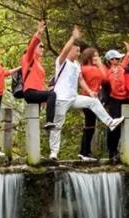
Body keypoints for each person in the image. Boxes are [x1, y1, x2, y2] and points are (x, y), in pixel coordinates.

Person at [48, 27, 124, 160]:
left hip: (74, 97)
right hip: (61, 99)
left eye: (79, 51)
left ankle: (110, 122)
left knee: (93, 101)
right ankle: (54, 153)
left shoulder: (76, 64)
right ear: (70, 50)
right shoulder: (61, 62)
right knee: (57, 125)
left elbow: (81, 80)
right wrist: (73, 38)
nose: (78, 54)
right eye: (76, 51)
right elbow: (65, 50)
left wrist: (89, 91)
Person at [19, 21, 57, 124]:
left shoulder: (39, 63)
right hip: (30, 92)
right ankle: (49, 121)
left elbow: (39, 82)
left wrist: (45, 95)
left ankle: (35, 137)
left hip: (37, 92)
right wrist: (39, 33)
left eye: (43, 47)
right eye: (40, 46)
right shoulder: (27, 58)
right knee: (52, 95)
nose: (42, 49)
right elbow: (31, 46)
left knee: (35, 119)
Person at [104, 49, 129, 160]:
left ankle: (126, 150)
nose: (117, 60)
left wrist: (128, 52)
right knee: (114, 125)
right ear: (110, 60)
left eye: (118, 58)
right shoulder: (108, 72)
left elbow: (126, 61)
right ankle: (112, 150)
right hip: (114, 100)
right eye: (115, 58)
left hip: (125, 98)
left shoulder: (122, 68)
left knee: (127, 124)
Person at [79, 47, 107, 160]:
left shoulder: (85, 68)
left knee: (89, 125)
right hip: (89, 98)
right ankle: (85, 152)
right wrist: (100, 64)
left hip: (91, 99)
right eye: (95, 55)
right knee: (90, 126)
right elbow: (105, 78)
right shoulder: (89, 69)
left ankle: (84, 151)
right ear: (89, 57)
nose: (97, 57)